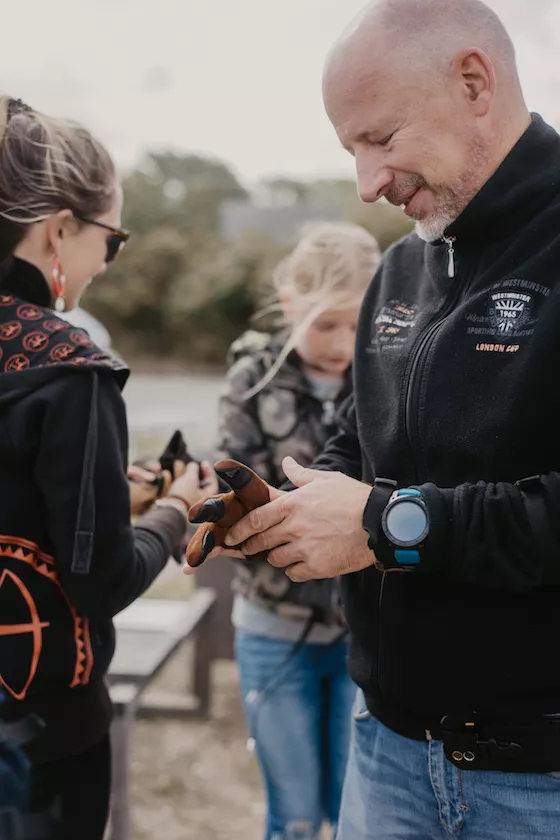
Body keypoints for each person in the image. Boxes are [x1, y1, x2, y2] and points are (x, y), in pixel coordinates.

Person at [196, 1, 560, 837]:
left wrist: (386, 526)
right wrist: (287, 507)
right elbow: (357, 442)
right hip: (386, 752)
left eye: (382, 138)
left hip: (538, 781)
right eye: (349, 150)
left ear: (475, 81)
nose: (367, 182)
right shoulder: (399, 268)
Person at [0, 95, 217, 839]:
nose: (106, 262)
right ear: (60, 229)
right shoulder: (72, 373)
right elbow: (100, 581)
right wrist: (175, 509)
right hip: (36, 742)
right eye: (111, 240)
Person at [216, 222, 381, 840]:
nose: (342, 344)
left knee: (352, 813)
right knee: (296, 815)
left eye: (355, 324)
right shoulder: (251, 380)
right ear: (290, 308)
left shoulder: (388, 380)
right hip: (271, 628)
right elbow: (237, 491)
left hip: (361, 634)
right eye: (325, 324)